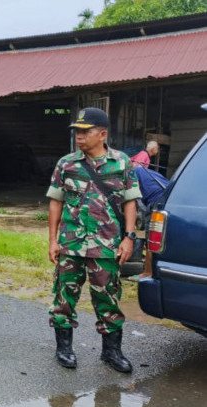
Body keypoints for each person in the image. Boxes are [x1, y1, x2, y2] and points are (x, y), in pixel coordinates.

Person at [47, 107, 141, 373]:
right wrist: (53, 240)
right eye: (76, 131)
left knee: (108, 300)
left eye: (85, 132)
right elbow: (56, 203)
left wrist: (129, 238)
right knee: (64, 299)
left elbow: (130, 202)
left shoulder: (122, 162)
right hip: (71, 244)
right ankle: (64, 348)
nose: (79, 136)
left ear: (102, 134)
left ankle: (111, 352)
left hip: (106, 245)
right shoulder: (66, 164)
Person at [128, 166, 169, 281]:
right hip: (169, 201)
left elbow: (132, 195)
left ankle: (147, 273)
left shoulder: (133, 173)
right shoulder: (148, 172)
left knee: (151, 239)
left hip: (156, 203)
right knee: (162, 240)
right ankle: (158, 271)